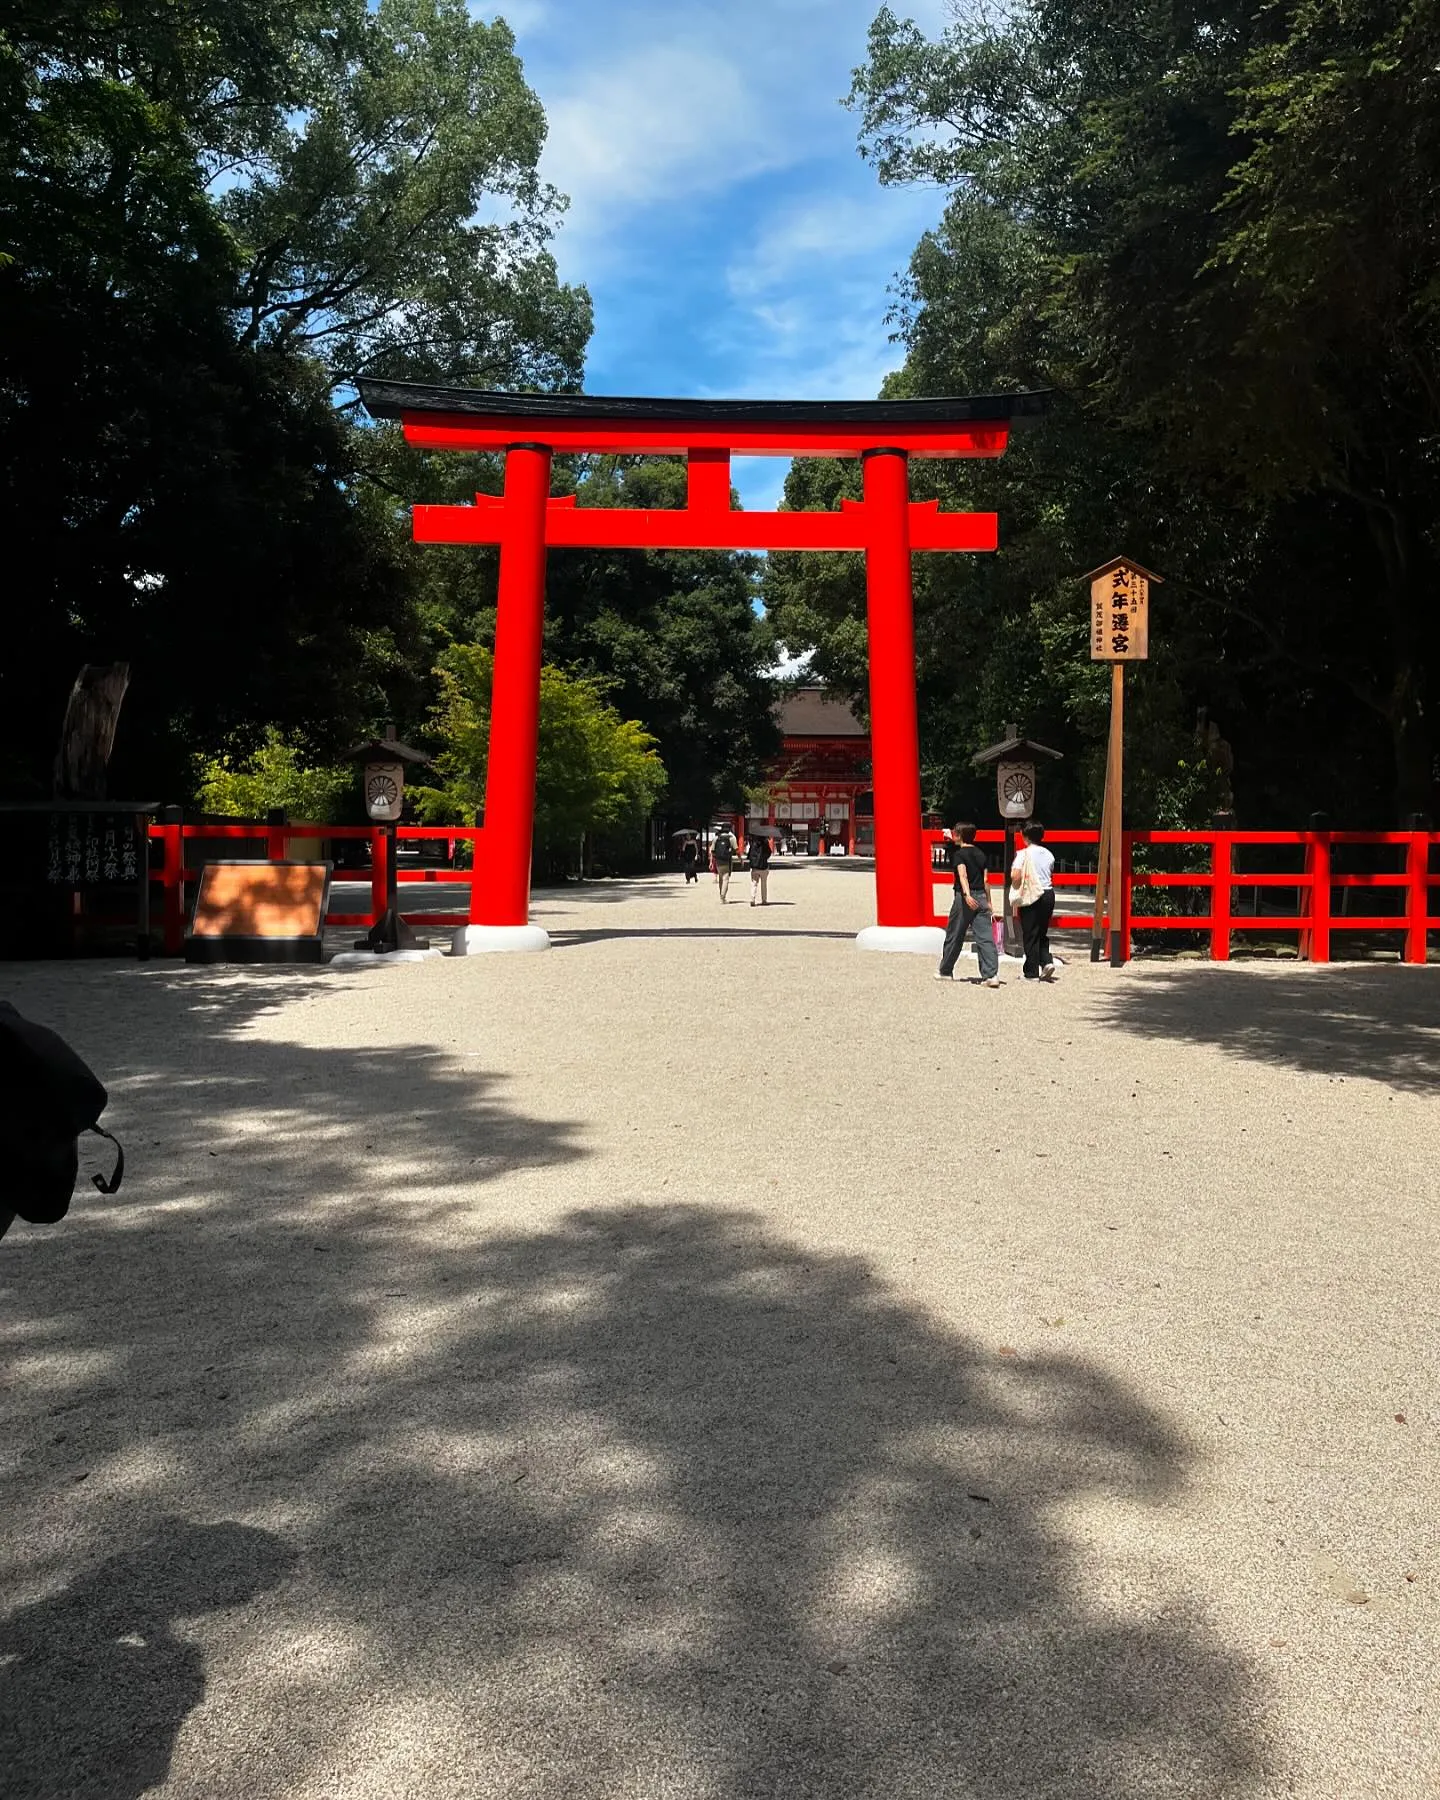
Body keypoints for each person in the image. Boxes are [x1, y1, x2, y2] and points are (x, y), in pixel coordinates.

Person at [936, 823, 1000, 986]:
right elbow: (986, 880)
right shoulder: (981, 854)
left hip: (965, 898)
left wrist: (967, 895)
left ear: (958, 835)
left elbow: (962, 875)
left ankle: (946, 970)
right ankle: (991, 974)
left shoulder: (959, 855)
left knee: (955, 934)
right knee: (985, 937)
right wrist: (989, 901)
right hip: (982, 896)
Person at [1011, 821, 1058, 981]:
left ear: (1025, 836)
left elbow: (1015, 876)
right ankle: (1046, 962)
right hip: (1048, 894)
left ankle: (1031, 972)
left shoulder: (1023, 854)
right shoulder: (1049, 854)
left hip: (1032, 894)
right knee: (1042, 931)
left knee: (1030, 933)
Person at [711, 825, 736, 902]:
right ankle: (723, 896)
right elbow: (736, 849)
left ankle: (721, 895)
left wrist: (713, 860)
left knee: (721, 878)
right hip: (727, 860)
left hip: (718, 861)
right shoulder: (731, 838)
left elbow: (712, 850)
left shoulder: (716, 838)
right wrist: (740, 859)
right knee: (726, 878)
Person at [747, 832, 772, 905]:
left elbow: (749, 855)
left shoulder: (753, 844)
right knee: (764, 884)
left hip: (754, 867)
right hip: (763, 866)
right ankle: (764, 900)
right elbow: (769, 853)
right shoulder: (765, 843)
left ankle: (752, 899)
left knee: (754, 883)